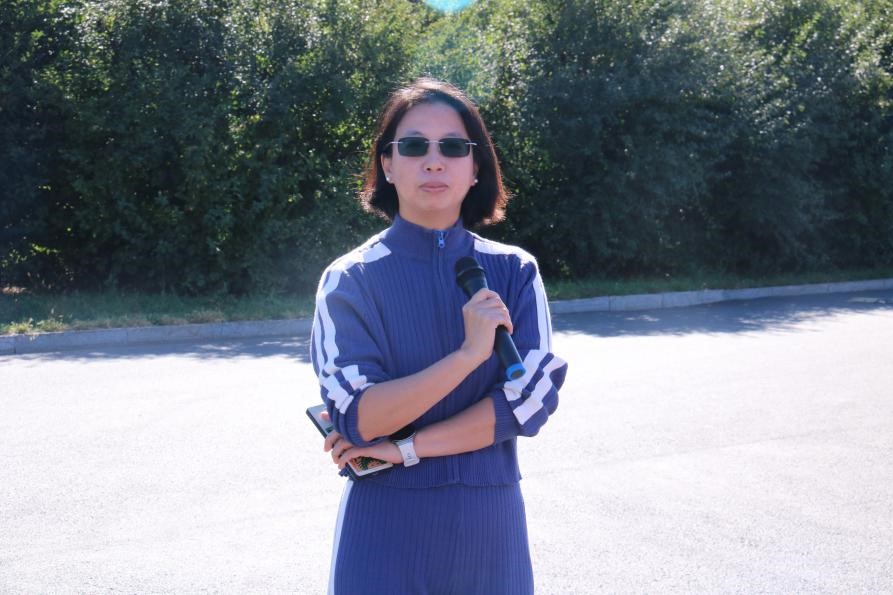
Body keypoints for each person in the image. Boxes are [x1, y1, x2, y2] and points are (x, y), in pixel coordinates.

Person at [310, 77, 568, 595]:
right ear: (387, 164)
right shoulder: (350, 279)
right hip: (382, 533)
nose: (434, 161)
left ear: (476, 168)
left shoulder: (516, 271)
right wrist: (469, 354)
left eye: (452, 147)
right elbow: (360, 417)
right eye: (414, 146)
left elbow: (527, 405)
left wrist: (405, 448)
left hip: (489, 533)